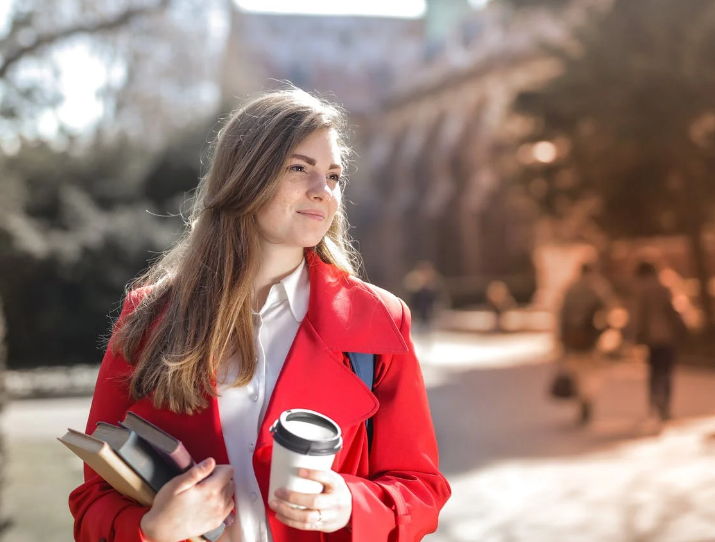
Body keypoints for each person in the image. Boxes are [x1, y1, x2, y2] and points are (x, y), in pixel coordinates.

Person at [68, 88, 451, 542]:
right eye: (298, 168)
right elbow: (93, 499)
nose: (323, 191)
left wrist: (352, 503)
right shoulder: (149, 318)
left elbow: (422, 490)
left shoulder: (379, 321)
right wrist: (151, 529)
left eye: (333, 175)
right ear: (244, 177)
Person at [628, 261, 687, 422]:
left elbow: (638, 317)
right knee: (666, 371)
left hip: (651, 338)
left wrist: (635, 337)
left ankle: (654, 402)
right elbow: (674, 311)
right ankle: (665, 406)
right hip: (668, 337)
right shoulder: (665, 287)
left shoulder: (640, 291)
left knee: (654, 371)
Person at [557, 262, 611, 425]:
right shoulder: (597, 288)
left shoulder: (570, 289)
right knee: (590, 371)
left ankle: (582, 401)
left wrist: (562, 339)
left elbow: (562, 315)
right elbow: (606, 311)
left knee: (577, 371)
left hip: (572, 338)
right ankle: (587, 400)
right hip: (589, 337)